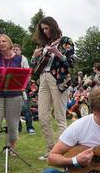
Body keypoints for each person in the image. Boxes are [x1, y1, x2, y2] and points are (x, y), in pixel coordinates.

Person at [31, 16, 76, 160]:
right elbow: (36, 65)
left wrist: (58, 53)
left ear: (53, 26)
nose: (44, 32)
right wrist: (34, 56)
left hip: (59, 80)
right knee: (43, 117)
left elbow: (71, 63)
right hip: (43, 79)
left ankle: (62, 151)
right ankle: (51, 149)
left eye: (46, 28)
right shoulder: (45, 44)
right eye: (42, 29)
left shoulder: (65, 41)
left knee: (59, 117)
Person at [0, 34, 30, 158]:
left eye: (4, 41)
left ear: (9, 42)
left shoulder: (21, 59)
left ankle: (12, 148)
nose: (1, 43)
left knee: (13, 122)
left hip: (15, 95)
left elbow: (27, 77)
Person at [11, 44, 35, 135]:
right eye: (13, 49)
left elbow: (27, 74)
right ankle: (18, 128)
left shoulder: (23, 59)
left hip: (22, 88)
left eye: (17, 49)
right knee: (14, 110)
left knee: (26, 109)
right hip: (12, 89)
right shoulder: (9, 60)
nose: (15, 51)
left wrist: (24, 84)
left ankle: (30, 128)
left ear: (20, 51)